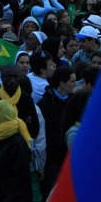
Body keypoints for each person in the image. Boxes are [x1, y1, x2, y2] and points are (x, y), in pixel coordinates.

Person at [37, 66, 76, 194]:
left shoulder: (73, 102)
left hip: (69, 158)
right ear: (62, 83)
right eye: (72, 81)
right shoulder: (45, 104)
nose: (75, 84)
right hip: (51, 159)